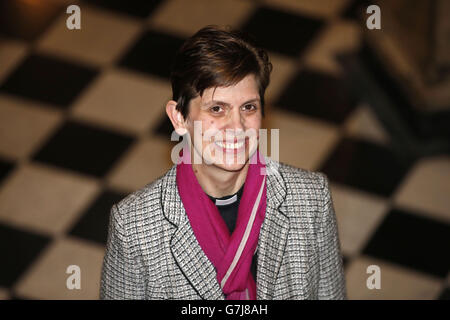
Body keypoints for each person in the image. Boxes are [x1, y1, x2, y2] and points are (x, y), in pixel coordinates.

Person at [100, 25, 347, 300]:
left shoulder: (311, 198)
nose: (236, 126)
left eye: (248, 107)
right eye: (217, 109)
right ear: (179, 118)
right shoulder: (135, 227)